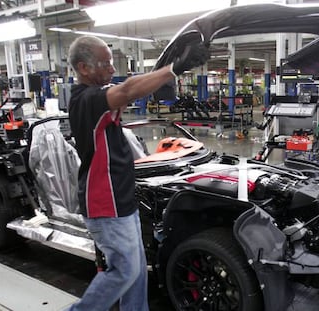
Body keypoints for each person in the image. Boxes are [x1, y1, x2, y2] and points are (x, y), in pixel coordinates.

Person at [66, 35, 209, 311]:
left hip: (122, 199)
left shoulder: (100, 100)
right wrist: (173, 69)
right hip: (104, 203)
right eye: (105, 64)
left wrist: (167, 65)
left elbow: (129, 91)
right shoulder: (87, 100)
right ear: (83, 68)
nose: (111, 69)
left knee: (137, 270)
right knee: (125, 270)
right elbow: (129, 89)